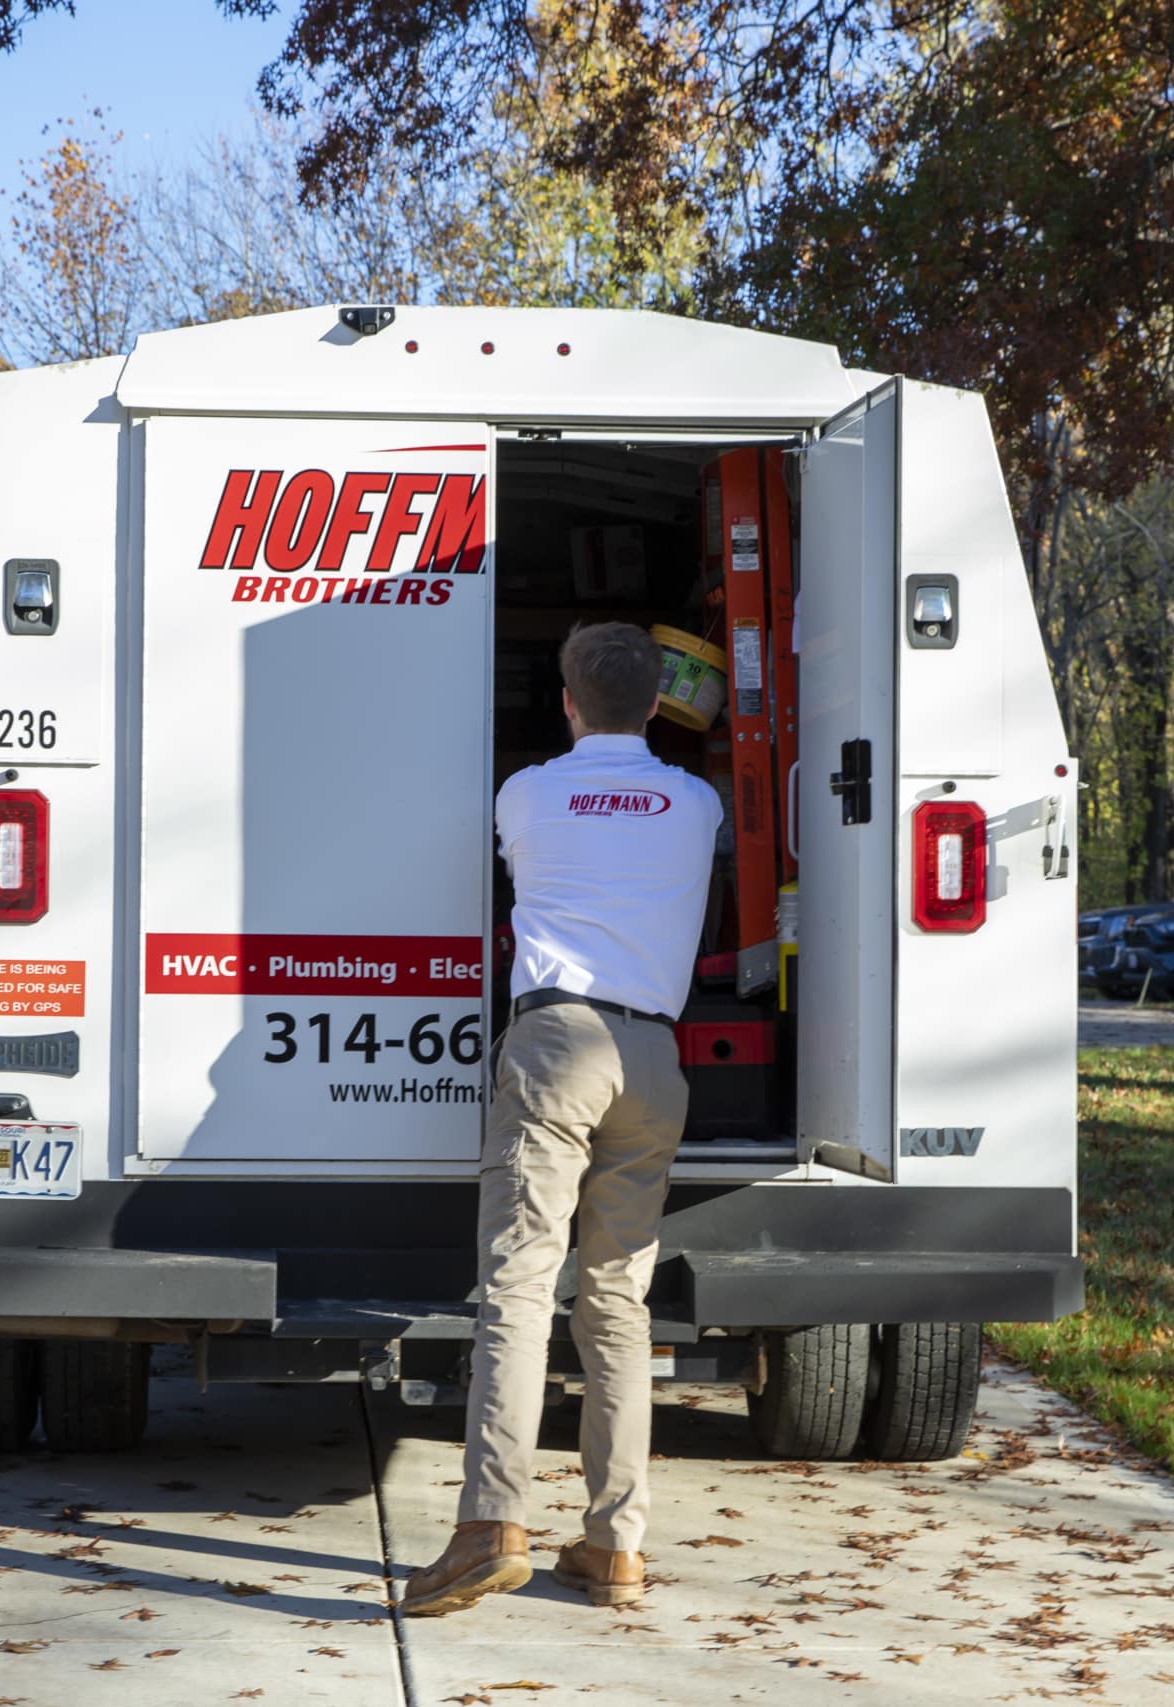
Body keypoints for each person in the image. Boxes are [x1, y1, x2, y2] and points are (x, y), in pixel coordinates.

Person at [402, 621, 723, 1617]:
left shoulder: (527, 792)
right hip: (652, 1060)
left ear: (568, 702)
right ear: (660, 701)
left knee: (518, 1288)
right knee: (617, 1304)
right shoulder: (698, 802)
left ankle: (491, 1526)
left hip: (557, 1047)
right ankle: (614, 1548)